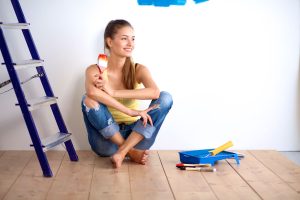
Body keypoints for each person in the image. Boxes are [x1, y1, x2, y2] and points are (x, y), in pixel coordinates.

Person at [81, 19, 173, 168]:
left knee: (166, 97)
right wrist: (130, 111)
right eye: (124, 38)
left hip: (136, 135)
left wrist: (113, 92)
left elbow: (155, 92)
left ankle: (123, 151)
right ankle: (130, 152)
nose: (130, 44)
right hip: (107, 142)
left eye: (133, 39)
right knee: (87, 99)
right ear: (110, 42)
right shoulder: (94, 70)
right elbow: (91, 93)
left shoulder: (138, 69)